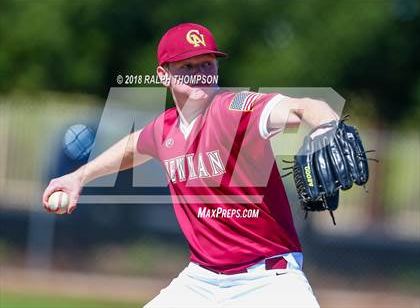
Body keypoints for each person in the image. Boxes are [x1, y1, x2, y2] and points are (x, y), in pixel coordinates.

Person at [43, 23, 339, 307]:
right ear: (163, 74)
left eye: (207, 63)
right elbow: (134, 146)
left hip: (268, 279)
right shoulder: (165, 128)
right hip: (201, 280)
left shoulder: (234, 107)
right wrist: (79, 177)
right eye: (187, 66)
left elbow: (303, 106)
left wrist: (327, 127)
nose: (200, 73)